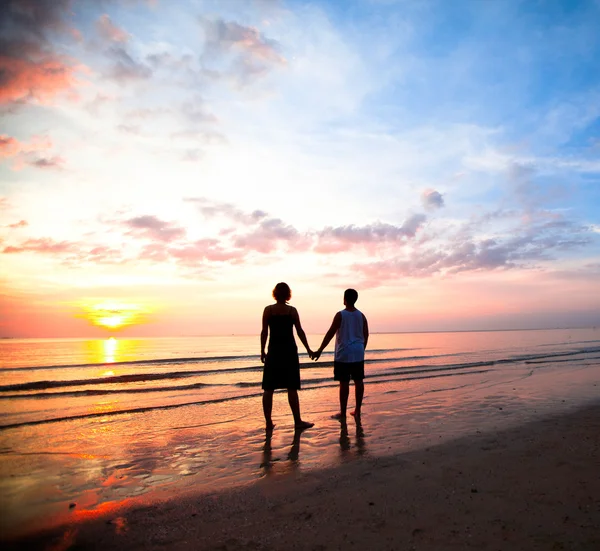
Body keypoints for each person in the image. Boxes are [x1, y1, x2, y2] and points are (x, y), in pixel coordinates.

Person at [261, 282, 314, 431]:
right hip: (289, 351)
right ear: (288, 294)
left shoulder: (268, 310)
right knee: (292, 387)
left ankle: (268, 423)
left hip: (274, 351)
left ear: (275, 293)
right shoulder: (291, 311)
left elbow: (264, 332)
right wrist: (309, 349)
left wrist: (262, 350)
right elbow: (300, 331)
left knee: (269, 388)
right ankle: (297, 421)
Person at [312, 288, 369, 420]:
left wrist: (320, 350)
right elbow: (366, 334)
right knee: (358, 381)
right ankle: (357, 410)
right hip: (358, 352)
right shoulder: (361, 315)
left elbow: (330, 333)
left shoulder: (340, 315)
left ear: (344, 299)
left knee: (344, 383)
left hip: (344, 353)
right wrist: (361, 349)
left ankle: (343, 413)